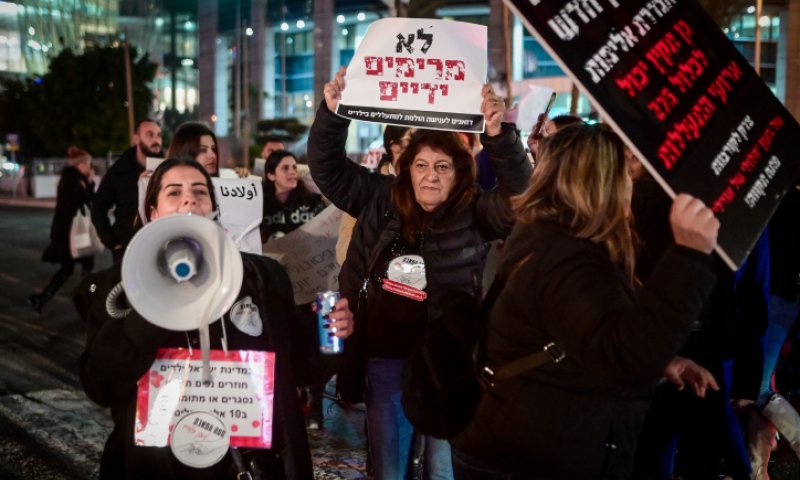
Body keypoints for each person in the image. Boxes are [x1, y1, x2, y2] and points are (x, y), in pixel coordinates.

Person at [451, 122, 720, 479]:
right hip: (523, 457)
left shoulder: (562, 243)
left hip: (531, 443)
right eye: (624, 175)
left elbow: (590, 336)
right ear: (600, 183)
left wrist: (663, 360)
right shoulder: (565, 258)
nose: (631, 185)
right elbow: (623, 356)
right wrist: (688, 256)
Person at [308, 66, 532, 480]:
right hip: (385, 358)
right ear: (406, 169)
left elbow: (520, 194)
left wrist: (500, 138)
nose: (431, 175)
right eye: (422, 165)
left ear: (458, 173)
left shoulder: (476, 212)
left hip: (448, 364)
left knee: (443, 470)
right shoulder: (379, 199)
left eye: (443, 167)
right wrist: (334, 115)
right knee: (388, 467)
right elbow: (328, 171)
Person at [76, 158, 354, 479]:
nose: (189, 198)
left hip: (243, 465)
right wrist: (156, 300)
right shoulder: (121, 285)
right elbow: (102, 385)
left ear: (213, 207)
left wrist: (331, 334)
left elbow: (301, 367)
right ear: (153, 212)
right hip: (159, 465)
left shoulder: (261, 276)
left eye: (199, 191)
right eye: (174, 191)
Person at [28, 146, 96, 313]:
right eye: (88, 163)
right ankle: (87, 303)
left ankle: (42, 299)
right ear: (81, 164)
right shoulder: (72, 178)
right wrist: (89, 183)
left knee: (76, 267)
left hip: (74, 232)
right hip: (70, 233)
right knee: (80, 267)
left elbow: (88, 201)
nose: (90, 167)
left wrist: (89, 183)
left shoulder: (77, 178)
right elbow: (79, 201)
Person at [92, 119, 163, 263]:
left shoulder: (169, 167)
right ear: (136, 138)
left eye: (159, 135)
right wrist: (113, 243)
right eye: (150, 135)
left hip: (161, 246)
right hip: (127, 249)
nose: (156, 140)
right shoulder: (120, 170)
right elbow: (98, 206)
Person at [260, 150, 326, 242]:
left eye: (294, 167)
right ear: (271, 175)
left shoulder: (314, 202)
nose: (292, 172)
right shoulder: (260, 204)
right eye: (285, 168)